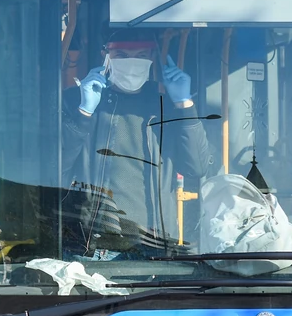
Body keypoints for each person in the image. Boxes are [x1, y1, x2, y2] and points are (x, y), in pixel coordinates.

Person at [62, 29, 210, 258]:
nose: (132, 64)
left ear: (152, 59)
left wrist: (184, 104)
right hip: (96, 249)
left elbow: (196, 167)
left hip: (154, 246)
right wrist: (84, 112)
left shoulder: (166, 107)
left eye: (141, 55)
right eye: (121, 55)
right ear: (106, 56)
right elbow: (56, 167)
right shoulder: (77, 101)